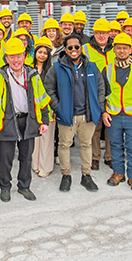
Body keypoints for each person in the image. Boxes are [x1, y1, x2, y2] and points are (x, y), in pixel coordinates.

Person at [0, 38, 50, 202]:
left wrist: (44, 121)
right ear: (6, 58)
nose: (15, 60)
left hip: (29, 121)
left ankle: (24, 186)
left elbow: (41, 99)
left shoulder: (32, 75)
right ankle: (5, 187)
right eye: (11, 56)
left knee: (26, 157)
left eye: (18, 56)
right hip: (6, 122)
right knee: (6, 158)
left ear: (24, 56)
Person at [44, 33, 105, 193]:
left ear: (81, 48)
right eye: (70, 47)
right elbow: (48, 88)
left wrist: (98, 108)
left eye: (76, 46)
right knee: (64, 145)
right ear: (65, 49)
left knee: (86, 145)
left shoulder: (91, 67)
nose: (73, 50)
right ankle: (66, 175)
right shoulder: (57, 68)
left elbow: (101, 88)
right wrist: (58, 107)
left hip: (87, 115)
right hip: (67, 115)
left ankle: (86, 175)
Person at [102, 33, 132, 192]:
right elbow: (101, 93)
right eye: (118, 48)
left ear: (130, 50)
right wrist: (104, 112)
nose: (121, 51)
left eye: (125, 48)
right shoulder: (107, 69)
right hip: (113, 115)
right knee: (115, 145)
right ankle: (118, 173)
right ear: (114, 50)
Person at [84, 18, 115, 170]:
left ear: (109, 33)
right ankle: (94, 157)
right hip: (93, 94)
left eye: (104, 33)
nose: (101, 36)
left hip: (113, 94)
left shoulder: (116, 48)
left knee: (110, 128)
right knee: (94, 128)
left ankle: (109, 156)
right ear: (93, 33)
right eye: (98, 33)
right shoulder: (85, 49)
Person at [30, 37, 56, 177]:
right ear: (35, 53)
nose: (42, 55)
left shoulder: (52, 70)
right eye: (40, 52)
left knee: (46, 138)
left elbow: (56, 91)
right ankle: (35, 164)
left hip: (48, 109)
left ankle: (45, 167)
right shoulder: (28, 68)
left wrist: (55, 108)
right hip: (33, 109)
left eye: (45, 53)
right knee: (35, 138)